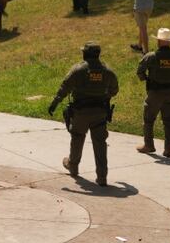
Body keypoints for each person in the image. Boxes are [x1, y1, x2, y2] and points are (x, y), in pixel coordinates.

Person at [48, 42, 119, 187]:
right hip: (100, 112)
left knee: (77, 137)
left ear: (85, 54)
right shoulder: (107, 71)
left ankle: (73, 166)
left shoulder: (78, 70)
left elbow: (65, 87)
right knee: (100, 142)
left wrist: (54, 103)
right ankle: (102, 176)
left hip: (81, 112)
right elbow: (114, 90)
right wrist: (103, 97)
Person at [136, 28, 170, 157]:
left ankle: (149, 145)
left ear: (158, 41)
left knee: (148, 120)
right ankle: (168, 149)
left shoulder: (151, 56)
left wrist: (146, 79)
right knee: (168, 122)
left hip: (155, 93)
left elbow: (140, 71)